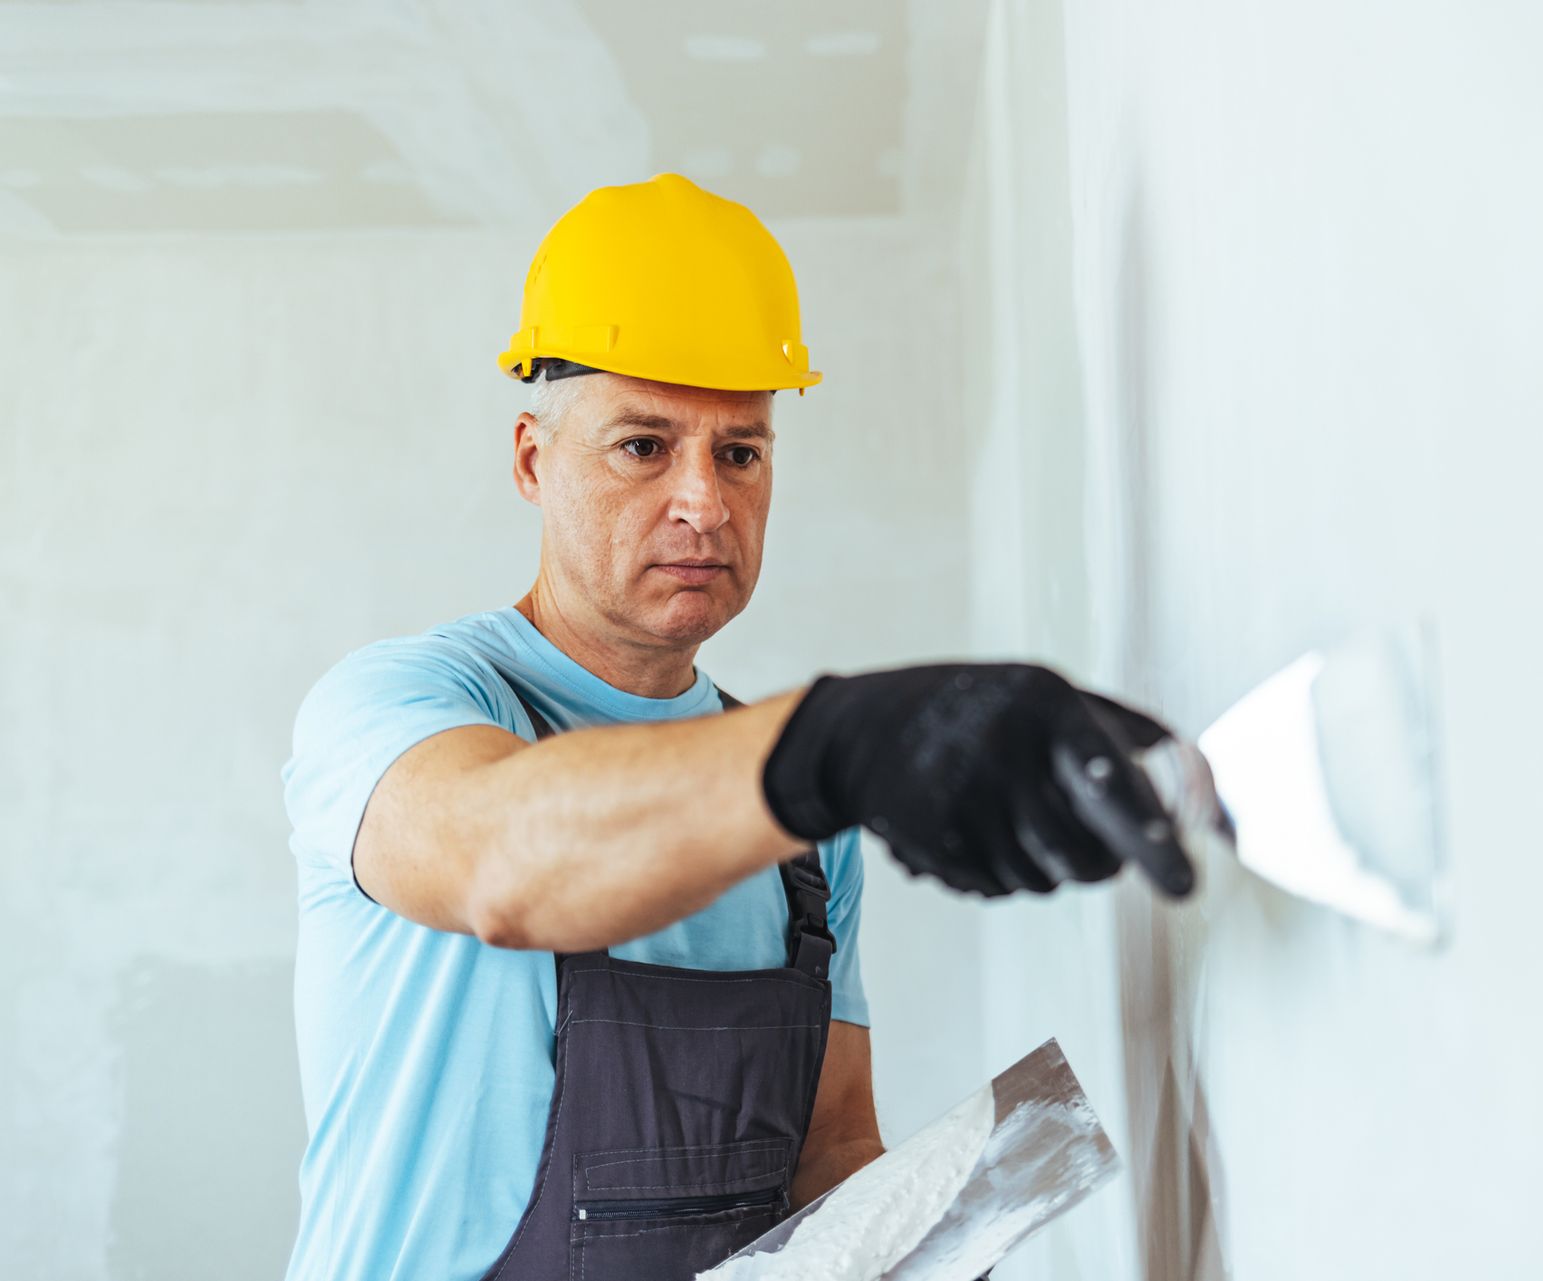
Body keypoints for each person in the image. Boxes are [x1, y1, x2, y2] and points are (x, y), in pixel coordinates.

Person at [281, 174, 1195, 1281]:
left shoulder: (807, 828)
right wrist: (837, 744)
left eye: (741, 452)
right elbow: (504, 863)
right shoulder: (401, 706)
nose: (705, 503)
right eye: (642, 447)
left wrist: (931, 1247)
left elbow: (830, 1146)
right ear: (532, 458)